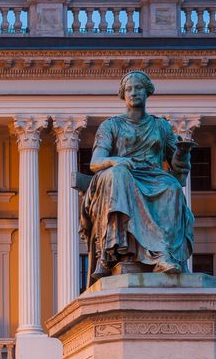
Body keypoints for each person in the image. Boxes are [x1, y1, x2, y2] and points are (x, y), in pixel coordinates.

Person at [81, 71, 194, 283]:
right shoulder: (111, 126)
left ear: (147, 92)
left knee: (172, 187)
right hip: (117, 178)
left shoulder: (161, 126)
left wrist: (182, 153)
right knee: (120, 175)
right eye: (129, 89)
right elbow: (96, 162)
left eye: (138, 88)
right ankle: (112, 251)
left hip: (152, 177)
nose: (134, 92)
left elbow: (178, 171)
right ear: (123, 95)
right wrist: (116, 160)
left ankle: (164, 255)